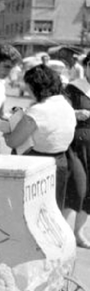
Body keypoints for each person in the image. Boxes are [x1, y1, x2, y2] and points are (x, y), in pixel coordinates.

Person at [3, 64, 76, 210]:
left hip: (38, 164)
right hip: (61, 161)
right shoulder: (66, 104)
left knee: (34, 211)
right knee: (55, 210)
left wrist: (6, 132)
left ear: (35, 87)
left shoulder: (37, 111)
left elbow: (13, 141)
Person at [63, 52, 90, 248]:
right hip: (76, 145)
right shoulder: (73, 89)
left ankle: (78, 232)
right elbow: (60, 111)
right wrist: (75, 113)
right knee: (77, 187)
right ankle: (62, 231)